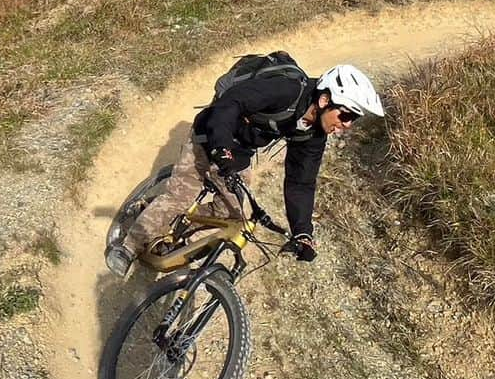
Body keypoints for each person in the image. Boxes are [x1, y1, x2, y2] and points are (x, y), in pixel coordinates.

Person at [105, 62, 384, 277]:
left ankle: (170, 225)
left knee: (234, 215)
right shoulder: (286, 90)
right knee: (181, 196)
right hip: (210, 136)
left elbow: (301, 183)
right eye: (346, 115)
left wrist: (302, 232)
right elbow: (231, 103)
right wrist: (220, 148)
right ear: (324, 100)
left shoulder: (313, 135)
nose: (347, 125)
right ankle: (128, 247)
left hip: (238, 154)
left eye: (354, 120)